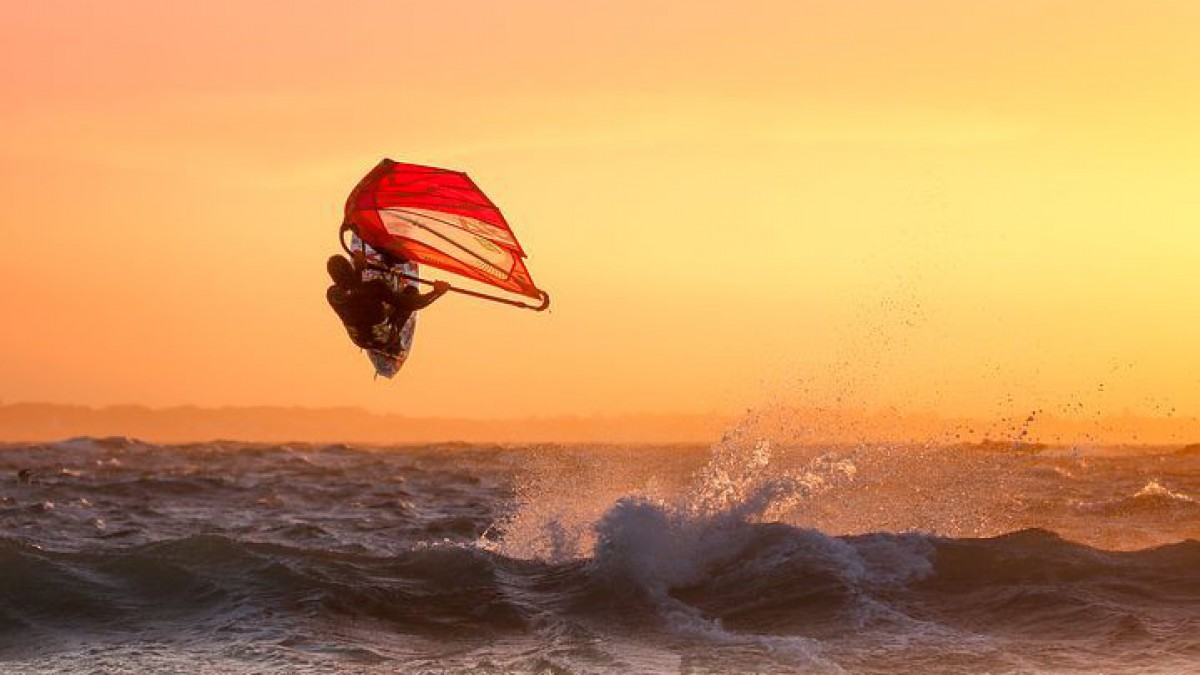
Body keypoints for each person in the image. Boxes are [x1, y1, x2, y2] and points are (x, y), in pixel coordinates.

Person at [326, 253, 449, 352]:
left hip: (359, 341)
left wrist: (359, 270)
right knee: (411, 293)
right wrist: (436, 293)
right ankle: (394, 345)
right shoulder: (374, 287)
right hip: (385, 339)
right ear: (351, 268)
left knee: (368, 309)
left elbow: (352, 292)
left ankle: (380, 331)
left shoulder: (332, 295)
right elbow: (411, 304)